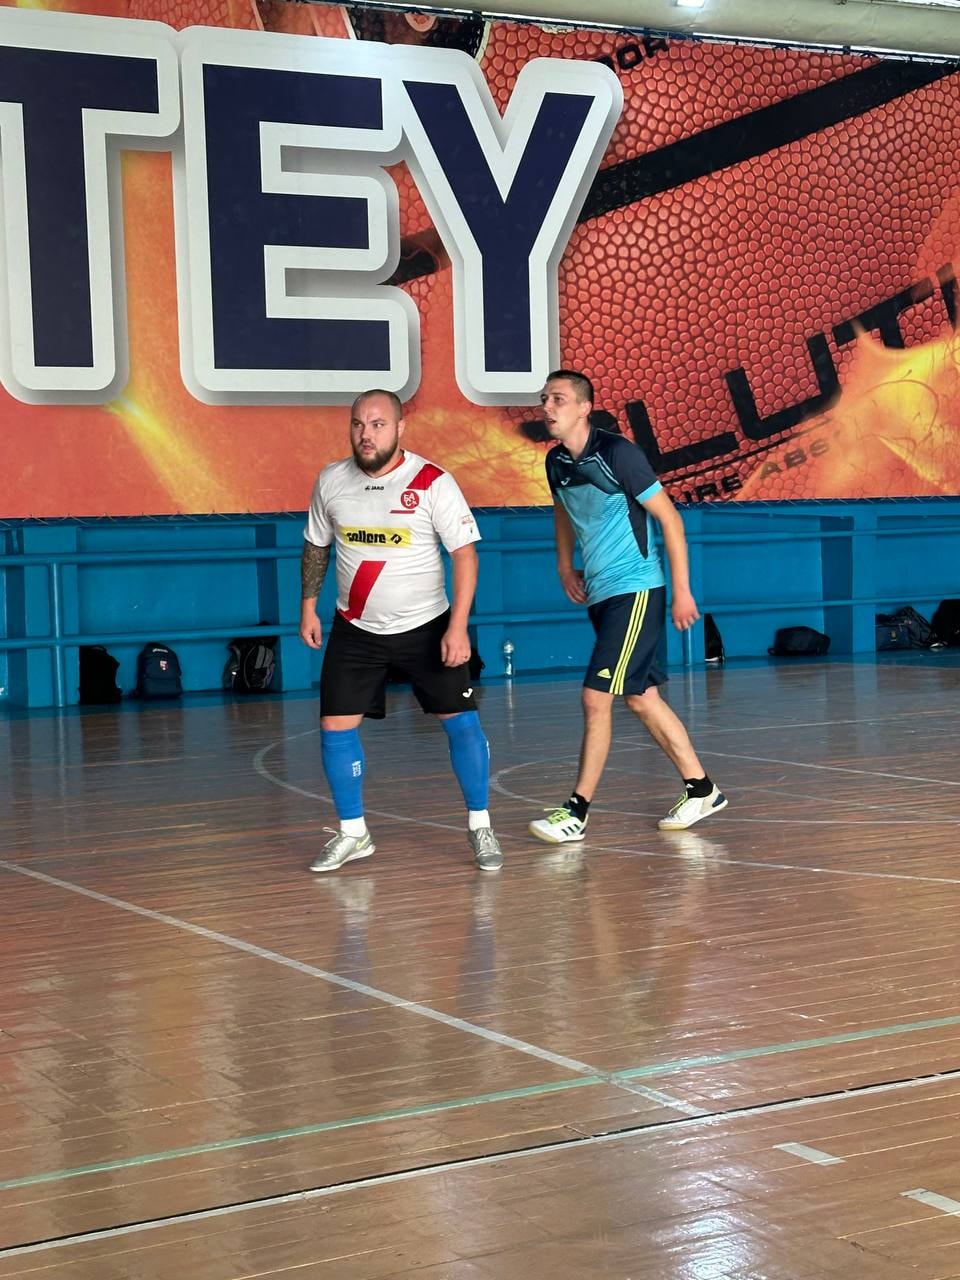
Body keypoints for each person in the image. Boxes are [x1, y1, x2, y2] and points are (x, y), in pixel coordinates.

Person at [301, 390, 503, 873]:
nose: (366, 434)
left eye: (377, 425)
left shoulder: (432, 481)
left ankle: (480, 825)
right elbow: (316, 546)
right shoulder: (331, 480)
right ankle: (354, 833)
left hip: (426, 628)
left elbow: (465, 556)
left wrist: (458, 627)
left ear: (399, 428)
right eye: (358, 424)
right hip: (355, 629)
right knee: (334, 727)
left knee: (461, 721)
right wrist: (308, 607)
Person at [528, 370, 727, 844]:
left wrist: (682, 591)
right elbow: (563, 511)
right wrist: (564, 565)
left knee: (595, 697)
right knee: (641, 696)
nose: (547, 407)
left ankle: (576, 811)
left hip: (636, 589)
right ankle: (702, 789)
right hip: (602, 594)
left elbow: (670, 520)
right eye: (544, 399)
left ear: (584, 408)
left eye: (558, 399)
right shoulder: (556, 461)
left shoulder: (619, 454)